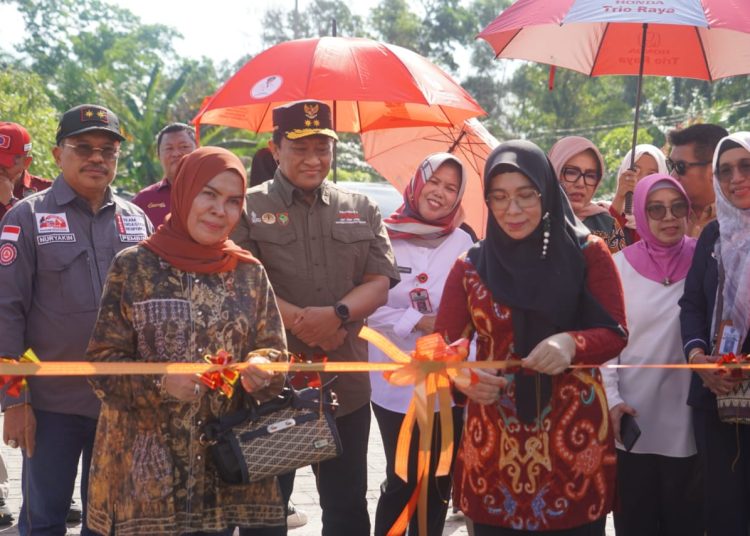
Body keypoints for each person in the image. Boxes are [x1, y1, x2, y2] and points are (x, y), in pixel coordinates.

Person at [85, 146, 286, 535]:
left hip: (223, 467)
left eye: (232, 201)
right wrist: (162, 381)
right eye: (208, 193)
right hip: (144, 474)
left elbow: (274, 349)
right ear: (183, 191)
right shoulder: (134, 266)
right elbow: (101, 366)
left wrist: (263, 367)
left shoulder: (249, 272)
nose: (218, 209)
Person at [435, 140, 628, 534]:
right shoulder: (470, 265)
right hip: (493, 444)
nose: (513, 209)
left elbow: (615, 331)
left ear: (546, 192)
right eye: (500, 197)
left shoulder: (588, 253)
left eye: (526, 195)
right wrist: (461, 375)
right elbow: (439, 348)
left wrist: (572, 344)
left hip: (572, 442)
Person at [231, 99, 399, 536]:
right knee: (266, 514)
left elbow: (379, 281)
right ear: (275, 148)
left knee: (346, 511)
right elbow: (239, 279)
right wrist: (303, 321)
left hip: (343, 386)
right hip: (272, 387)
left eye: (322, 148)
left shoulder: (360, 206)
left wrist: (337, 314)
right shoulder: (246, 207)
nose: (313, 159)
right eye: (300, 148)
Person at [0, 104, 152, 535]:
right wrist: (15, 400)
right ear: (56, 154)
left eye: (108, 150)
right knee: (43, 521)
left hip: (121, 405)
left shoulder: (136, 221)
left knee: (111, 521)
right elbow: (5, 314)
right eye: (82, 147)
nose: (97, 158)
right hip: (50, 408)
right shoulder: (25, 219)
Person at [367, 152, 474, 536]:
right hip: (393, 381)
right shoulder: (381, 234)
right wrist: (419, 321)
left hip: (446, 381)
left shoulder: (465, 241)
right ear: (417, 182)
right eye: (434, 182)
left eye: (450, 188)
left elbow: (473, 310)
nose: (440, 194)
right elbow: (369, 308)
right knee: (402, 477)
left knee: (438, 481)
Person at [602, 173, 702, 536]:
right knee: (636, 523)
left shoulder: (704, 259)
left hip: (691, 419)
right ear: (641, 215)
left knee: (686, 523)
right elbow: (606, 345)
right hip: (633, 418)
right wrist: (612, 401)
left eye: (677, 208)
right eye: (656, 210)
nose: (669, 218)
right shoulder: (618, 266)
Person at [679, 131, 750, 535]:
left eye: (746, 166)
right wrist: (696, 358)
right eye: (725, 171)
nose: (735, 178)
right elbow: (692, 305)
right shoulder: (713, 235)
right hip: (717, 398)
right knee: (723, 512)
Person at [548, 135, 626, 253]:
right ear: (554, 172)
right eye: (571, 172)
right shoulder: (536, 219)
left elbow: (620, 269)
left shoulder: (608, 226)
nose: (580, 184)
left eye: (590, 176)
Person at [667, 123, 728, 238]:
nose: (672, 176)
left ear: (713, 169)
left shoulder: (740, 220)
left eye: (680, 166)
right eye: (670, 165)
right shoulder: (664, 217)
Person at [133, 122, 197, 226]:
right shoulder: (143, 200)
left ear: (198, 150)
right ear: (158, 155)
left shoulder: (214, 194)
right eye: (169, 148)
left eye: (184, 147)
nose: (176, 154)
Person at [609, 144, 669, 244]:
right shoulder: (603, 213)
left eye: (651, 174)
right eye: (635, 171)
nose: (641, 179)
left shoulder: (670, 218)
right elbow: (607, 242)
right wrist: (620, 197)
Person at [0, 121, 52, 221]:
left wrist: (10, 202)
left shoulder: (48, 193)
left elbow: (42, 233)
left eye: (5, 165)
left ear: (26, 162)